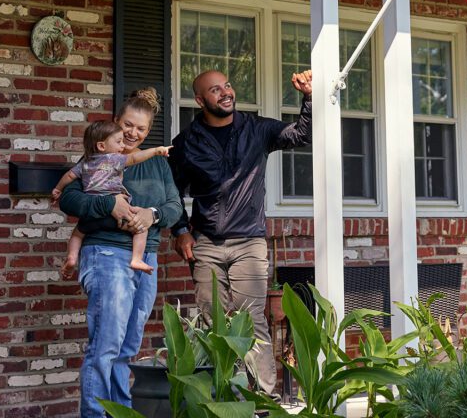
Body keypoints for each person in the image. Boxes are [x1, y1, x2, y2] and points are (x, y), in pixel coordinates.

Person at [168, 69, 313, 399]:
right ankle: (225, 397)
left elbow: (302, 135)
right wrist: (179, 230)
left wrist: (307, 98)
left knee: (251, 321)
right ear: (201, 99)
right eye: (215, 89)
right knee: (213, 324)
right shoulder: (187, 143)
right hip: (205, 244)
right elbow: (169, 190)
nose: (225, 93)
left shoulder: (257, 129)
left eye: (228, 85)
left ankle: (264, 400)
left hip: (249, 242)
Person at [58, 88, 182, 418]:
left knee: (127, 348)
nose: (132, 133)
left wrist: (150, 215)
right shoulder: (97, 159)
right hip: (106, 256)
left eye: (141, 129)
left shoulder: (156, 165)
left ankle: (121, 413)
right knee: (106, 347)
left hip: (145, 258)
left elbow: (174, 208)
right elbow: (68, 199)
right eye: (128, 125)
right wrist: (107, 204)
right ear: (116, 122)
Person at [51, 120, 171, 275]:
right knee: (141, 229)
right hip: (116, 211)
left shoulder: (85, 163)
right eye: (119, 142)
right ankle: (137, 259)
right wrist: (155, 151)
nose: (123, 146)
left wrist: (57, 189)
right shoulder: (114, 159)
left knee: (77, 233)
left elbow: (69, 175)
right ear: (102, 146)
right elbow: (135, 159)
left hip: (93, 214)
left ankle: (72, 258)